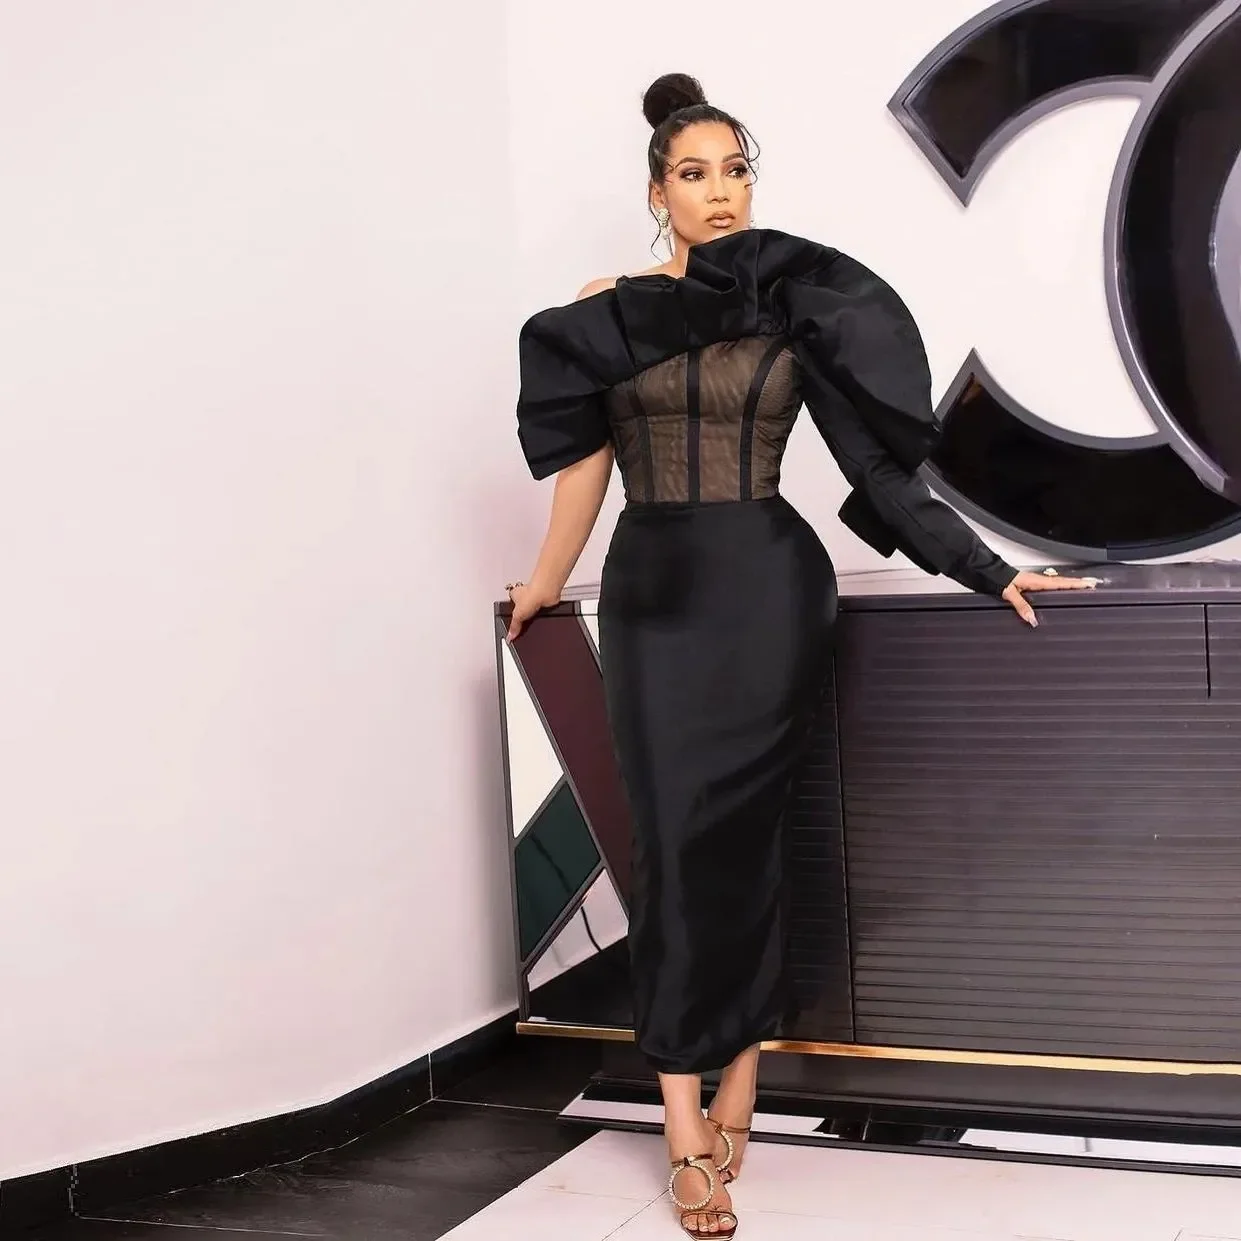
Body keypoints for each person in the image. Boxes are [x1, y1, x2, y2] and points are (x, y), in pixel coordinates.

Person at [505, 72, 1098, 1239]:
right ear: (656, 193)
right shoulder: (603, 309)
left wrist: (983, 566)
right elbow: (583, 474)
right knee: (672, 848)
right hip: (651, 598)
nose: (719, 191)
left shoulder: (789, 303)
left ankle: (735, 1084)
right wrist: (540, 582)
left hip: (767, 593)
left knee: (744, 842)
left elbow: (872, 469)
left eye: (735, 170)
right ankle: (683, 1117)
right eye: (693, 174)